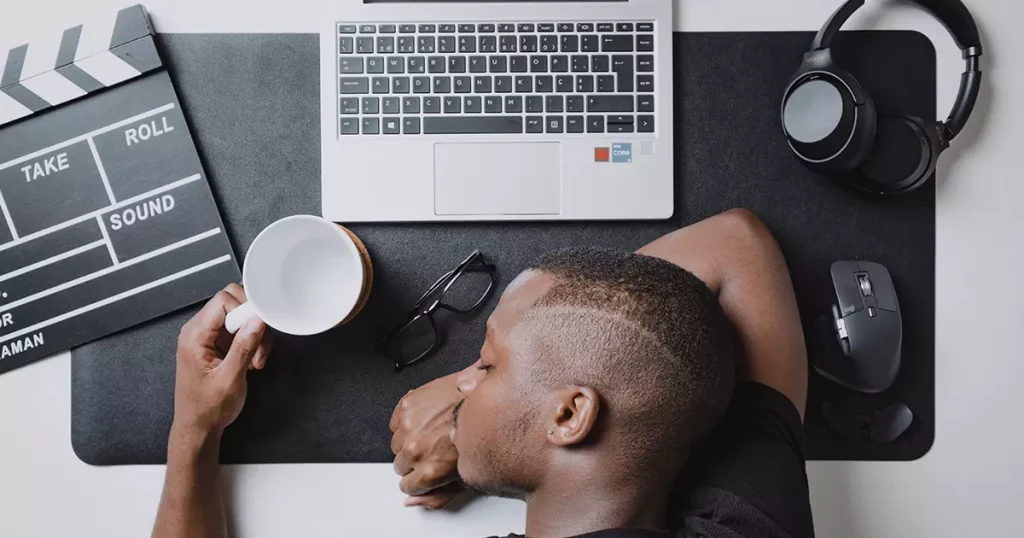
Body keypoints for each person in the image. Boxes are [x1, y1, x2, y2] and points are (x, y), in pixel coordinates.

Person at [153, 209, 813, 538]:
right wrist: (518, 387)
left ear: (569, 416)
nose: (462, 384)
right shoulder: (748, 519)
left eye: (486, 364)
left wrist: (193, 428)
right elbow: (736, 245)